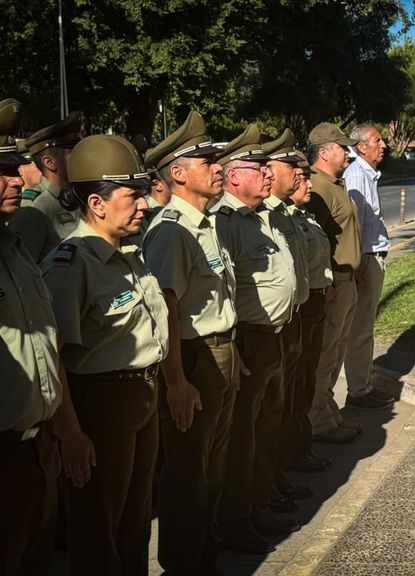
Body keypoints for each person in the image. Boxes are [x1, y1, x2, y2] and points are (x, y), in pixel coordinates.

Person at [41, 134, 170, 576]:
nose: (144, 205)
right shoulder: (71, 264)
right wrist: (71, 435)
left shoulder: (130, 254)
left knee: (134, 523)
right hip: (100, 404)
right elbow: (52, 358)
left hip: (141, 398)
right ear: (96, 203)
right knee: (98, 527)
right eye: (132, 196)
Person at [141, 110, 239, 576]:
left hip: (220, 350)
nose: (217, 166)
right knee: (187, 472)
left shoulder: (205, 222)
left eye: (217, 159)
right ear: (177, 173)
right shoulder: (171, 231)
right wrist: (176, 382)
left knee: (212, 467)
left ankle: (205, 551)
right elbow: (166, 311)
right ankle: (183, 562)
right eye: (206, 160)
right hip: (193, 357)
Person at [212, 124, 297, 553]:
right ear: (233, 176)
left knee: (267, 429)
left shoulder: (260, 217)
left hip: (274, 336)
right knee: (242, 439)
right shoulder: (224, 222)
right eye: (258, 167)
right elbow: (220, 288)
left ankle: (261, 505)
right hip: (246, 340)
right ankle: (236, 518)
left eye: (268, 167)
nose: (268, 174)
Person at [0, 98, 64, 576]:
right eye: (0, 171)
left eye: (12, 168)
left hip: (37, 445)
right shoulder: (27, 228)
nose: (16, 180)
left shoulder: (14, 247)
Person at [259, 129, 317, 509]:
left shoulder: (281, 215)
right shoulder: (239, 219)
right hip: (258, 333)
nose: (298, 174)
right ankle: (255, 498)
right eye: (288, 166)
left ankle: (273, 480)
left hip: (291, 318)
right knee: (258, 425)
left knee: (283, 408)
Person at [305, 122, 365, 443]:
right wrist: (326, 283)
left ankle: (328, 411)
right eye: (343, 148)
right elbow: (318, 242)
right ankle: (317, 420)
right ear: (325, 152)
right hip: (334, 283)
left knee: (337, 351)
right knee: (326, 353)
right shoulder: (318, 189)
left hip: (347, 280)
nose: (348, 153)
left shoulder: (335, 184)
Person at [285, 152, 335, 471]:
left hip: (315, 303)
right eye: (300, 177)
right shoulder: (285, 218)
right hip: (300, 310)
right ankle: (290, 454)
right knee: (292, 388)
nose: (307, 183)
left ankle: (300, 448)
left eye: (307, 176)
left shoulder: (304, 215)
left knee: (305, 383)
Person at [343, 123, 396, 410]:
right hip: (365, 257)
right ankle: (359, 390)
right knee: (360, 328)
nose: (384, 145)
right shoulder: (356, 176)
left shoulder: (366, 174)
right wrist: (360, 262)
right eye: (378, 140)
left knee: (364, 326)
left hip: (371, 255)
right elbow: (355, 224)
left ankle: (362, 383)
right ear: (362, 146)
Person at [8, 112, 83, 262]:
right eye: (73, 153)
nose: (81, 158)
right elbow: (25, 271)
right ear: (49, 162)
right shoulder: (33, 209)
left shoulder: (79, 198)